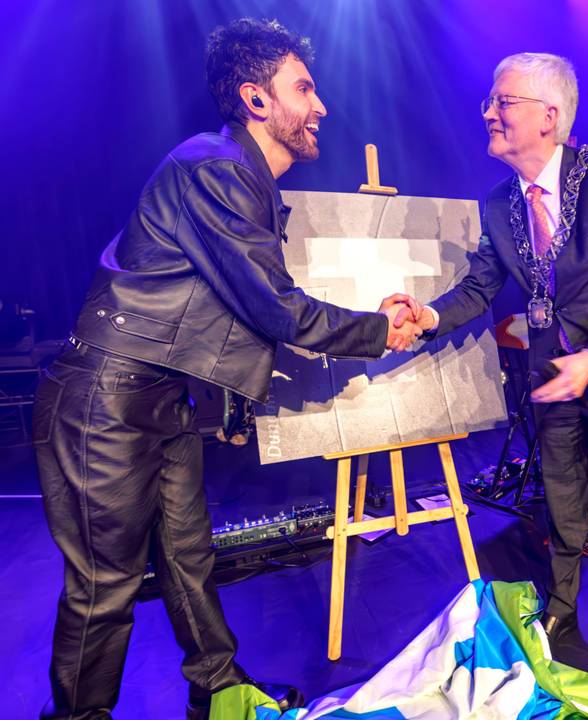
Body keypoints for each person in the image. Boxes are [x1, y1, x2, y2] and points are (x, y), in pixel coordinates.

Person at [34, 18, 421, 720]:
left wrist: (236, 407)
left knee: (188, 557)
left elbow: (226, 314)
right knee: (106, 586)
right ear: (256, 98)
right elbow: (274, 308)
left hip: (159, 397)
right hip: (107, 399)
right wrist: (377, 329)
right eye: (304, 87)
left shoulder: (240, 177)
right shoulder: (213, 168)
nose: (322, 105)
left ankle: (216, 688)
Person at [391, 52, 588, 675]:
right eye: (490, 102)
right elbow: (481, 285)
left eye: (503, 102)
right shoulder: (499, 202)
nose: (488, 113)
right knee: (562, 494)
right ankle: (562, 604)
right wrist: (430, 316)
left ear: (550, 116)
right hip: (551, 376)